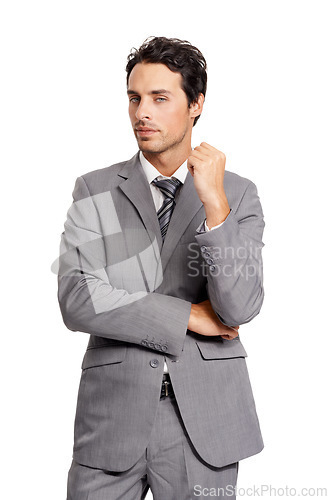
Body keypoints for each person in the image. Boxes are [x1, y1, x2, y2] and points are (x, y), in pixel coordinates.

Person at [58, 36, 265, 500]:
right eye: (134, 98)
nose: (141, 113)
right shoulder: (95, 189)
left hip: (205, 421)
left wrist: (215, 205)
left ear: (196, 104)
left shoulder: (239, 194)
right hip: (112, 416)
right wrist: (188, 316)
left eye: (159, 98)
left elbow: (239, 307)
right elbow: (78, 299)